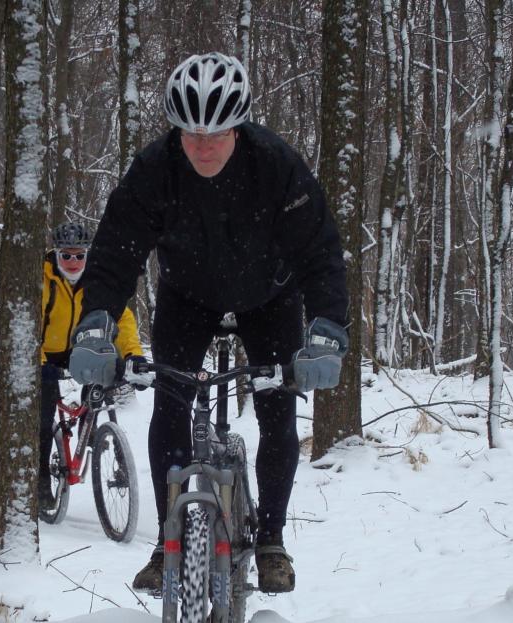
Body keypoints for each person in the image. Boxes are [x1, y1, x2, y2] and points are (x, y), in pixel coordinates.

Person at [67, 52, 349, 593]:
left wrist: (327, 333)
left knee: (276, 411)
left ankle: (271, 539)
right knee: (168, 407)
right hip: (187, 297)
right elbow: (115, 254)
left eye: (216, 133)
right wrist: (95, 325)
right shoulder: (156, 170)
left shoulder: (276, 166)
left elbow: (320, 253)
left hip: (269, 297)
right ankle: (167, 540)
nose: (202, 145)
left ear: (237, 127)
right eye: (190, 133)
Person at [38, 221, 143, 509]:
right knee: (44, 415)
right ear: (56, 254)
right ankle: (41, 479)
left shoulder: (97, 280)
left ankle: (91, 423)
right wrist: (40, 361)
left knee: (105, 373)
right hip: (46, 352)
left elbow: (121, 318)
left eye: (79, 255)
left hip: (81, 348)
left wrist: (133, 354)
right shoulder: (43, 280)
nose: (73, 262)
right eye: (66, 255)